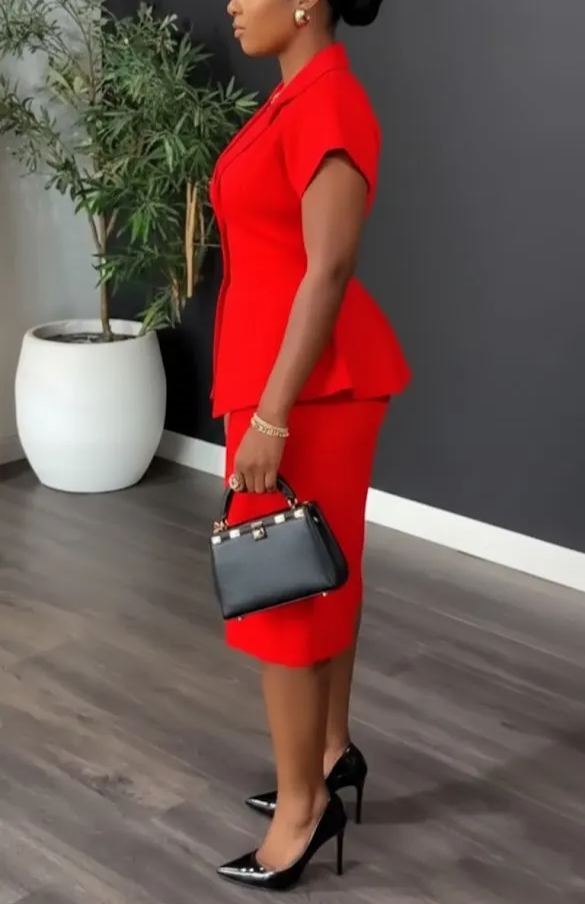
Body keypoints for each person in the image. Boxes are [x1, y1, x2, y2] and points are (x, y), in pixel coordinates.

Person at [209, 0, 412, 890]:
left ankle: (300, 813)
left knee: (282, 590)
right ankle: (328, 755)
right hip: (286, 380)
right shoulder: (297, 97)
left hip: (303, 390)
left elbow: (328, 267)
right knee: (319, 572)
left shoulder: (327, 100)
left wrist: (271, 416)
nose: (231, 3)